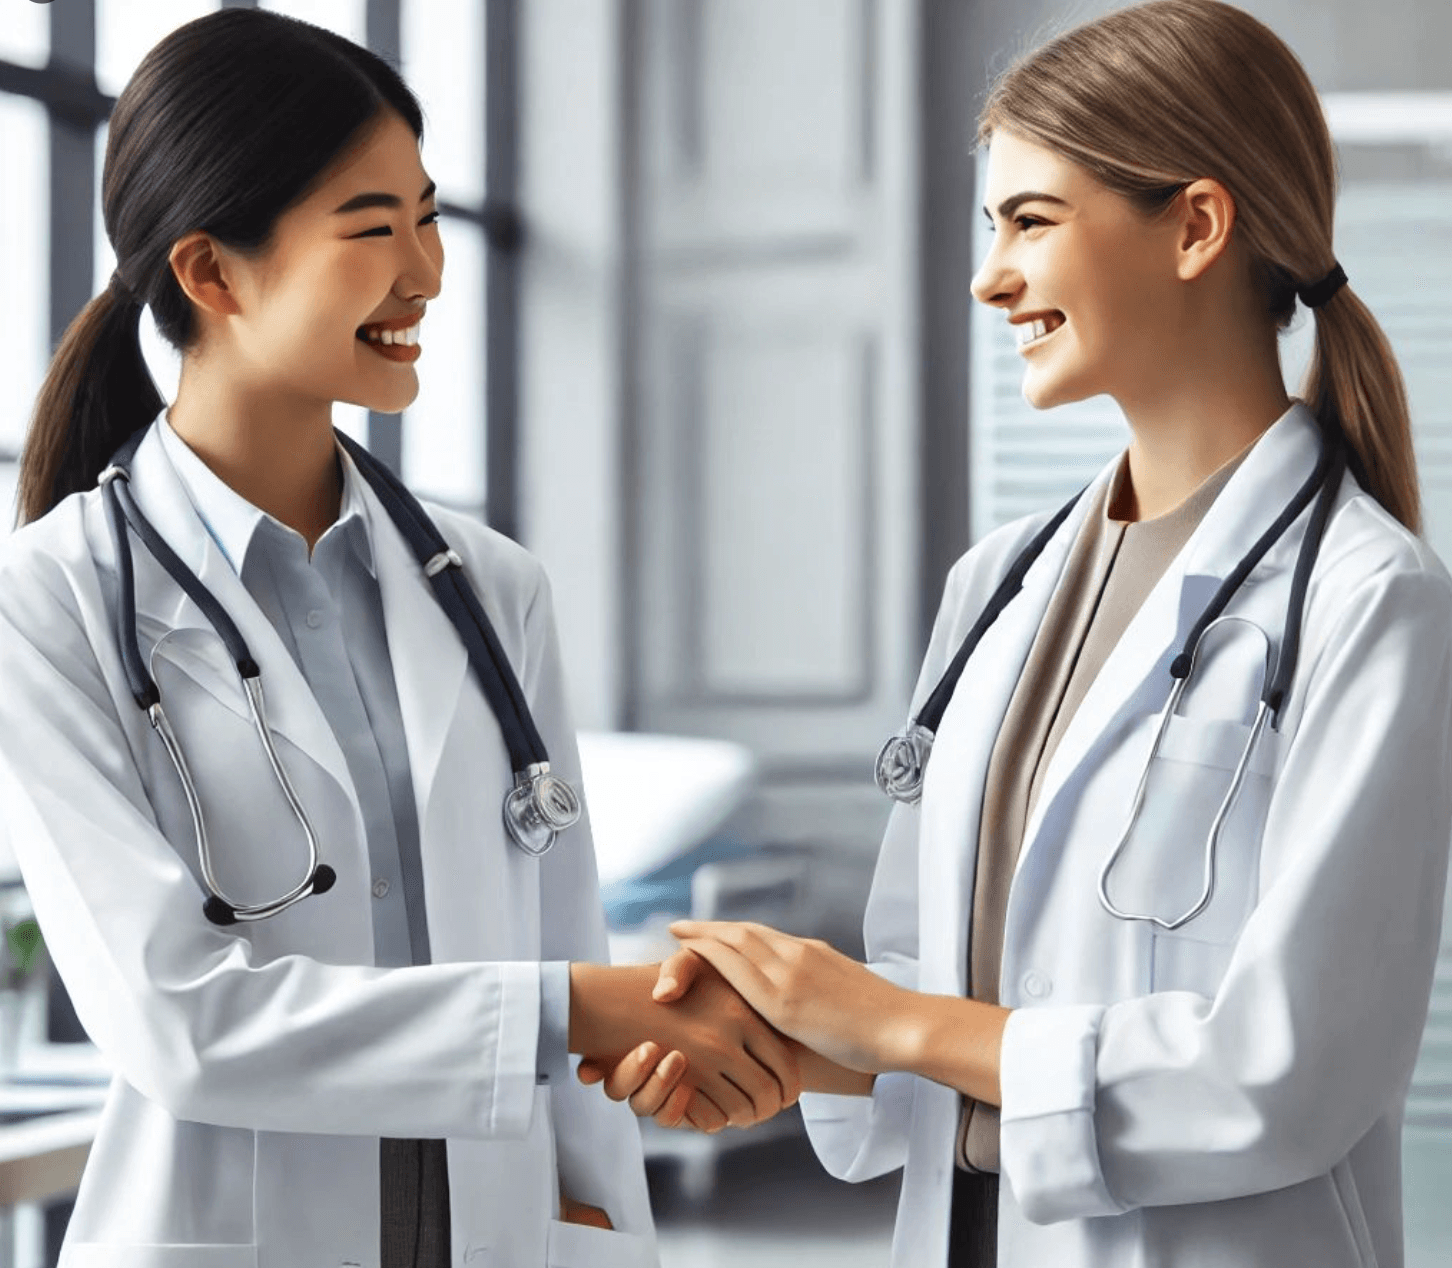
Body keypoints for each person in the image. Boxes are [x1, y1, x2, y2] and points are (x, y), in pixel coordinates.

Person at [587, 2, 1452, 1265]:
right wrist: (790, 1048)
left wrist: (885, 1019)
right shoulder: (1002, 583)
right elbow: (923, 988)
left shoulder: (1368, 597)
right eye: (990, 224)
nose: (989, 275)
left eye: (1030, 221)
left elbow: (1283, 1072)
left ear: (1198, 226)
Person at [0, 10, 800, 1266]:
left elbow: (563, 927)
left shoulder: (491, 586)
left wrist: (600, 1201)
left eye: (428, 216)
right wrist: (571, 1012)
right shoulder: (49, 600)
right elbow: (178, 1021)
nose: (427, 271)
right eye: (375, 228)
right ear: (213, 272)